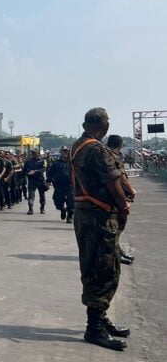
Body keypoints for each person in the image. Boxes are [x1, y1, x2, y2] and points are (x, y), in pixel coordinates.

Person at [70, 107, 131, 351]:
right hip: (99, 216)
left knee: (95, 265)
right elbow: (112, 181)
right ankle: (94, 327)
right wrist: (123, 207)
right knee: (104, 269)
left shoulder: (78, 145)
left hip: (87, 214)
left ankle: (100, 318)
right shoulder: (96, 149)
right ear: (103, 125)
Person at [105, 135, 135, 266]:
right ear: (120, 145)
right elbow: (121, 178)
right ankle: (116, 252)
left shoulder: (106, 154)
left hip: (109, 196)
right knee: (119, 224)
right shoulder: (114, 157)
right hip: (117, 196)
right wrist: (132, 190)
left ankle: (117, 251)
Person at [47, 148, 74, 222]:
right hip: (59, 185)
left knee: (71, 201)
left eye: (67, 152)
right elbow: (50, 173)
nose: (65, 153)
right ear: (61, 153)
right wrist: (48, 181)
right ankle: (62, 209)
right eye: (64, 151)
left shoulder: (73, 162)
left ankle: (70, 215)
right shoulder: (56, 163)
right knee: (57, 201)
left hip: (70, 185)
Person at [24, 149, 46, 215]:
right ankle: (30, 209)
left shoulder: (42, 161)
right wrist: (26, 174)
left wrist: (35, 171)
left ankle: (42, 208)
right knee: (31, 195)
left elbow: (44, 169)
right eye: (32, 153)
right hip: (32, 180)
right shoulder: (28, 161)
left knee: (42, 195)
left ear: (38, 153)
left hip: (40, 180)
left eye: (35, 153)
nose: (33, 154)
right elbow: (24, 170)